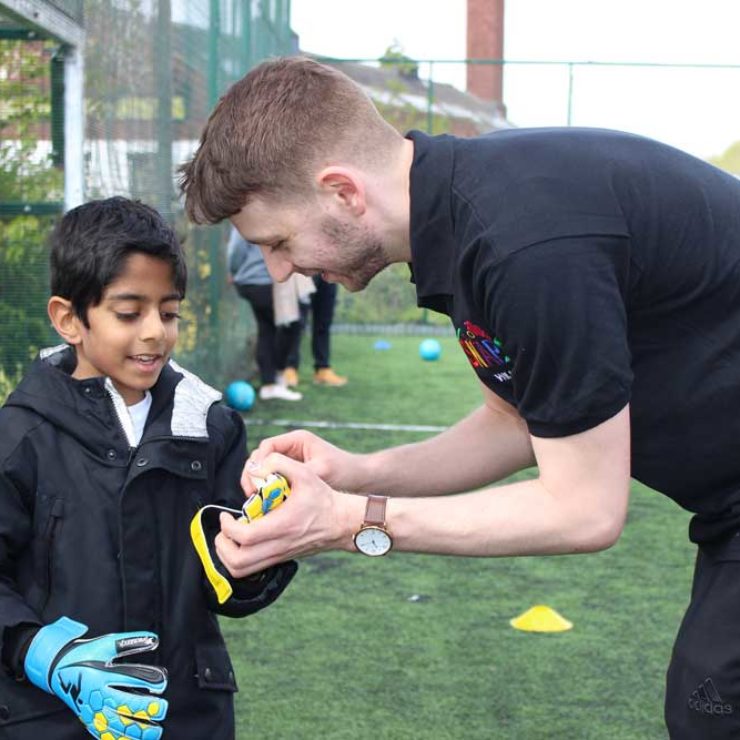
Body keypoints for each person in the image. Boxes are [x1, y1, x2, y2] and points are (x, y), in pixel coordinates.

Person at [179, 56, 740, 738]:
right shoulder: (457, 219)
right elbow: (517, 422)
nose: (278, 267)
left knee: (714, 711)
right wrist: (355, 473)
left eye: (278, 240)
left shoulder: (521, 245)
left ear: (343, 193)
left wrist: (347, 522)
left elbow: (584, 511)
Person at [0, 197, 296, 739]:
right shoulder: (20, 436)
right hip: (50, 719)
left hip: (186, 714)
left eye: (169, 311)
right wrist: (45, 655)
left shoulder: (212, 427)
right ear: (69, 319)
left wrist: (262, 544)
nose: (156, 331)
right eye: (129, 312)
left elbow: (228, 587)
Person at [226, 227, 302, 401]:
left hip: (259, 281)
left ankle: (272, 382)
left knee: (269, 329)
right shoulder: (246, 210)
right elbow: (236, 248)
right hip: (260, 280)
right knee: (287, 326)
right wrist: (234, 270)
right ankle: (273, 381)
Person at [283, 275, 348, 388]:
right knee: (297, 320)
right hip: (304, 269)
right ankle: (290, 367)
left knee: (324, 321)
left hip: (330, 269)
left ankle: (322, 369)